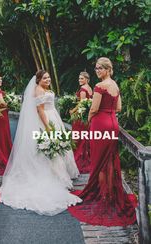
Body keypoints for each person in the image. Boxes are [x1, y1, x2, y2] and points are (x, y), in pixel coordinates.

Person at [0, 70, 82, 216]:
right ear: (38, 80)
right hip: (46, 120)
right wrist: (48, 128)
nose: (48, 79)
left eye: (49, 77)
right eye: (45, 78)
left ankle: (59, 175)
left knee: (58, 147)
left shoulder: (44, 89)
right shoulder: (38, 90)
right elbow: (40, 111)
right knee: (49, 149)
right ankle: (53, 176)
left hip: (53, 116)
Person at [68, 58, 137, 226]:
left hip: (100, 124)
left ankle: (103, 197)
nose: (97, 71)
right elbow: (119, 107)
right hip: (112, 123)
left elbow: (93, 108)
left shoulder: (100, 86)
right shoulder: (115, 85)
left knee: (99, 161)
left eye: (100, 68)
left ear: (108, 69)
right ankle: (111, 194)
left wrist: (89, 119)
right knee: (109, 160)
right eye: (96, 68)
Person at [70, 72, 92, 173]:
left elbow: (81, 104)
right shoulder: (90, 88)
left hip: (80, 117)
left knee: (77, 139)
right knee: (84, 138)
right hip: (87, 117)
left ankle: (79, 163)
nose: (80, 80)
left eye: (82, 78)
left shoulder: (83, 90)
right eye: (79, 78)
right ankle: (86, 160)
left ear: (87, 79)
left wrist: (72, 111)